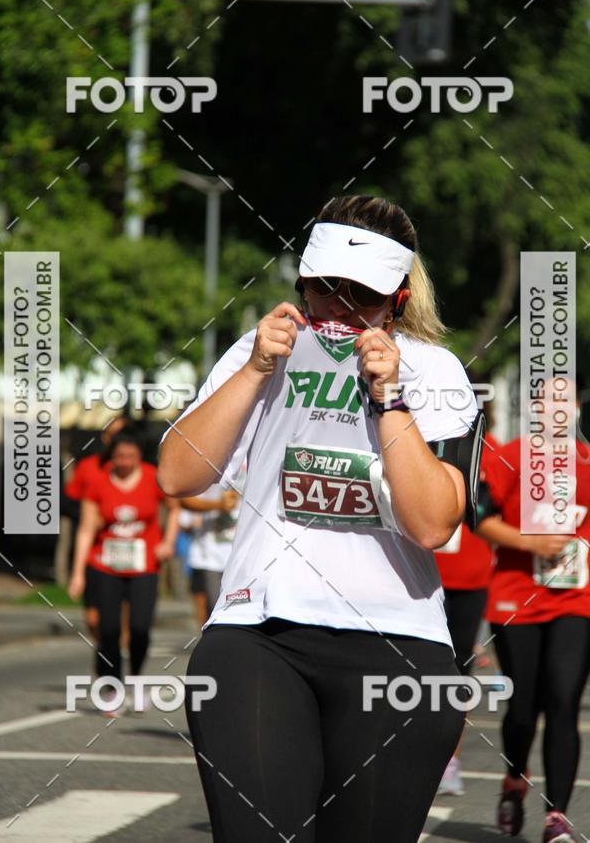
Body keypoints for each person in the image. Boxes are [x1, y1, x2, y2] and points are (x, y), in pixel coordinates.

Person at [158, 195, 484, 842]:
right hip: (260, 630)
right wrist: (255, 367)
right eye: (323, 288)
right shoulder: (258, 355)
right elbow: (177, 475)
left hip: (398, 648)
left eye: (358, 295)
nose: (336, 307)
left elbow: (431, 525)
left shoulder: (434, 370)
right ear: (301, 281)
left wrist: (391, 399)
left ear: (395, 298)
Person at [478, 380, 590, 843]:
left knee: (563, 701)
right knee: (523, 710)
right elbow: (478, 518)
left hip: (576, 598)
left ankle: (557, 817)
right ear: (534, 407)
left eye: (565, 399)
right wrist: (532, 542)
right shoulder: (510, 455)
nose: (556, 408)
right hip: (515, 595)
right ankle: (512, 783)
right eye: (547, 400)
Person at [68, 430, 180, 713]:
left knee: (140, 629)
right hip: (105, 564)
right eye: (120, 456)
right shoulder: (99, 480)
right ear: (112, 457)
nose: (125, 461)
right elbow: (85, 529)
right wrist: (78, 573)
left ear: (139, 456)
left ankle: (137, 678)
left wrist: (167, 542)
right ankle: (111, 688)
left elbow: (174, 508)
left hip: (145, 566)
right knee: (109, 630)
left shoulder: (153, 477)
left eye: (130, 456)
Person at [435, 423, 499, 795]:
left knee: (458, 671)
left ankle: (449, 760)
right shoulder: (415, 434)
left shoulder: (493, 452)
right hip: (416, 576)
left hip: (470, 580)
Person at [63, 415, 130, 655]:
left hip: (128, 554)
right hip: (93, 550)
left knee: (120, 619)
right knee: (94, 619)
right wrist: (91, 518)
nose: (118, 442)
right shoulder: (89, 466)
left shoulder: (138, 469)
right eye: (114, 436)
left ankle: (116, 656)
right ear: (105, 438)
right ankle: (107, 649)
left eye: (124, 435)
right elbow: (67, 502)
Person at [181, 487, 240, 625]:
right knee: (215, 612)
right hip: (209, 558)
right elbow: (185, 500)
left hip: (243, 557)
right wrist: (218, 505)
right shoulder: (208, 469)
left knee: (239, 613)